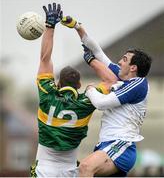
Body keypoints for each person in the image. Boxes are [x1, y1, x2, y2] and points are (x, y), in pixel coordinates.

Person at [30, 3, 117, 177]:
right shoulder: (87, 101)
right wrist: (91, 59)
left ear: (58, 83)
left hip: (43, 172)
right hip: (71, 172)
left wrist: (50, 26)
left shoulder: (47, 93)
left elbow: (45, 59)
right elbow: (111, 80)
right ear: (79, 85)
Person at [61, 16, 152, 177]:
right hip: (107, 145)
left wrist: (90, 89)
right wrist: (78, 27)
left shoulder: (138, 84)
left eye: (124, 59)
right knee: (77, 172)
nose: (119, 62)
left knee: (85, 167)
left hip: (121, 145)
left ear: (133, 67)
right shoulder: (125, 78)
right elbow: (98, 52)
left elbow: (101, 103)